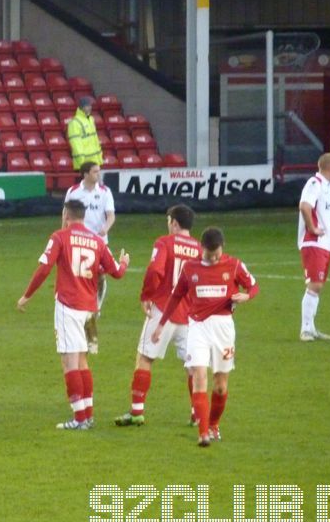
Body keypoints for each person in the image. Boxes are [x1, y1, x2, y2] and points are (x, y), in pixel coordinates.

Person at [17, 200, 130, 430]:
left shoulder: (60, 237)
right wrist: (124, 263)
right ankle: (87, 415)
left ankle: (79, 419)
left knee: (69, 363)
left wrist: (27, 295)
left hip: (69, 306)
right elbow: (116, 273)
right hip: (90, 309)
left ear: (65, 214)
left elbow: (44, 267)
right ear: (84, 215)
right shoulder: (97, 241)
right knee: (82, 361)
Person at [151, 227, 258, 447]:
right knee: (199, 375)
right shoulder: (190, 268)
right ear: (202, 249)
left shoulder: (234, 265)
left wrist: (246, 296)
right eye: (210, 255)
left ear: (223, 248)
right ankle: (203, 434)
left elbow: (253, 286)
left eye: (217, 254)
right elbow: (176, 296)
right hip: (197, 327)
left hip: (224, 327)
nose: (214, 258)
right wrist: (161, 324)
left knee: (220, 385)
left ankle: (213, 425)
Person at [115, 204, 202, 427]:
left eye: (168, 221)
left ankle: (136, 412)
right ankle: (197, 413)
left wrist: (146, 295)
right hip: (189, 314)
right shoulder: (200, 249)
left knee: (145, 357)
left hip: (163, 309)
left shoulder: (164, 242)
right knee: (192, 365)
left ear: (174, 223)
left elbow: (155, 271)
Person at [64, 161, 116, 352]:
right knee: (82, 280)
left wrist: (105, 229)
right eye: (95, 172)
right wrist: (64, 233)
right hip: (79, 243)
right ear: (85, 174)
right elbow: (66, 214)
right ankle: (88, 319)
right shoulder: (73, 191)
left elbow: (111, 215)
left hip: (99, 244)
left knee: (100, 278)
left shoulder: (104, 192)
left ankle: (94, 308)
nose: (98, 174)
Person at [298, 153, 330, 342]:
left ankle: (311, 328)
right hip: (314, 242)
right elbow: (305, 206)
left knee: (318, 286)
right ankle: (305, 329)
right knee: (314, 284)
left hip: (324, 245)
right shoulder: (314, 183)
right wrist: (312, 228)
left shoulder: (325, 187)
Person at [67, 96, 102, 171]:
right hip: (84, 165)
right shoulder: (75, 123)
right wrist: (82, 163)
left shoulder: (91, 119)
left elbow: (95, 141)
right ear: (81, 107)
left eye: (90, 105)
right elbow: (76, 144)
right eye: (87, 106)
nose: (89, 107)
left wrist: (99, 160)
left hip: (94, 162)